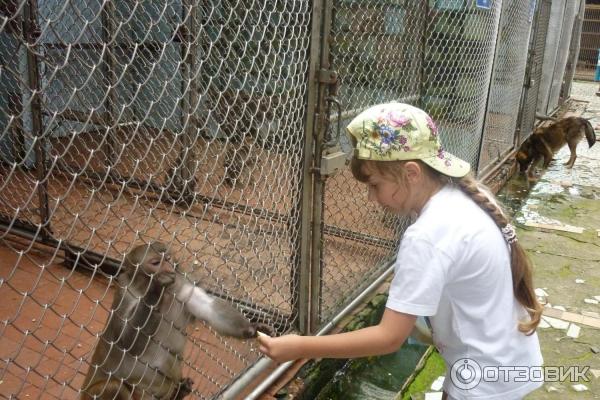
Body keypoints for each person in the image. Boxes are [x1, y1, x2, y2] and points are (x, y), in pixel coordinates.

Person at [258, 103, 543, 399]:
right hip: (511, 361)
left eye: (374, 184)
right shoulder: (468, 196)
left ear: (411, 173)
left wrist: (299, 346)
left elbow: (389, 338)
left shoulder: (428, 233)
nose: (371, 198)